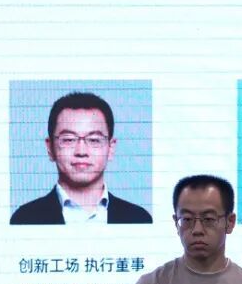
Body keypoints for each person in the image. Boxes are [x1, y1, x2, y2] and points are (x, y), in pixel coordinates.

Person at [9, 91, 152, 225]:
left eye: (94, 140)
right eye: (68, 139)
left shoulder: (139, 219)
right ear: (50, 148)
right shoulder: (24, 219)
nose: (81, 151)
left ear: (111, 148)